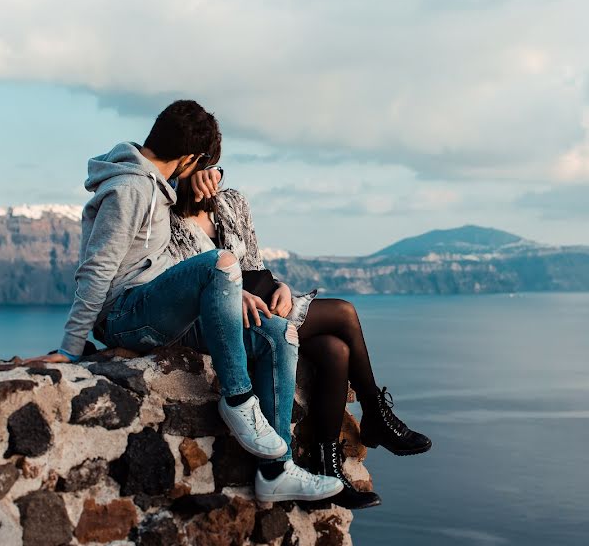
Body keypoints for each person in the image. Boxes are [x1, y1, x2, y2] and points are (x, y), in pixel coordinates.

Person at [31, 100, 342, 503]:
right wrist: (71, 349)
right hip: (124, 315)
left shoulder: (156, 185)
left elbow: (172, 259)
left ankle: (276, 473)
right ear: (190, 158)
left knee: (279, 334)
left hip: (160, 308)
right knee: (220, 263)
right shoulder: (130, 190)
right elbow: (95, 271)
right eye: (202, 166)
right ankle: (238, 399)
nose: (206, 176)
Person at [167, 149, 432, 510]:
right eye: (205, 169)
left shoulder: (231, 203)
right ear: (185, 166)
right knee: (344, 313)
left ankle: (330, 469)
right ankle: (375, 415)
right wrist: (236, 295)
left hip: (267, 303)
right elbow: (184, 286)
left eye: (217, 169)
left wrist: (282, 287)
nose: (214, 178)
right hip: (228, 319)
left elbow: (254, 265)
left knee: (335, 351)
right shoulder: (166, 217)